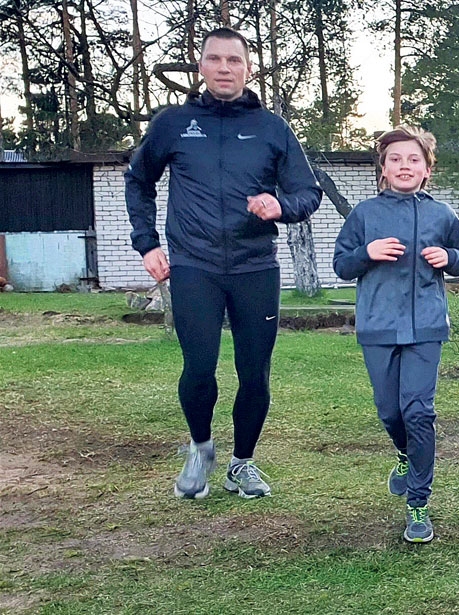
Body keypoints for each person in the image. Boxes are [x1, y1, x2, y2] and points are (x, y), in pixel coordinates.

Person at [125, 27, 323, 500]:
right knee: (199, 366)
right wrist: (147, 243)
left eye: (234, 60)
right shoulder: (173, 123)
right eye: (214, 59)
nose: (224, 68)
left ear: (248, 68)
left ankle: (243, 464)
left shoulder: (273, 128)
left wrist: (280, 207)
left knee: (254, 371)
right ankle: (201, 446)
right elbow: (138, 181)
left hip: (256, 267)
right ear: (201, 68)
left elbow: (307, 193)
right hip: (195, 265)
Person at [332, 125, 459, 543]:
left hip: (426, 326)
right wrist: (367, 254)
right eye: (395, 159)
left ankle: (418, 503)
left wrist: (448, 256)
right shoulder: (364, 214)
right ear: (383, 167)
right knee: (390, 412)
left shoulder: (441, 214)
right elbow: (342, 265)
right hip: (378, 325)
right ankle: (404, 453)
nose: (404, 166)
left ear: (427, 169)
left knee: (418, 411)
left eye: (414, 159)